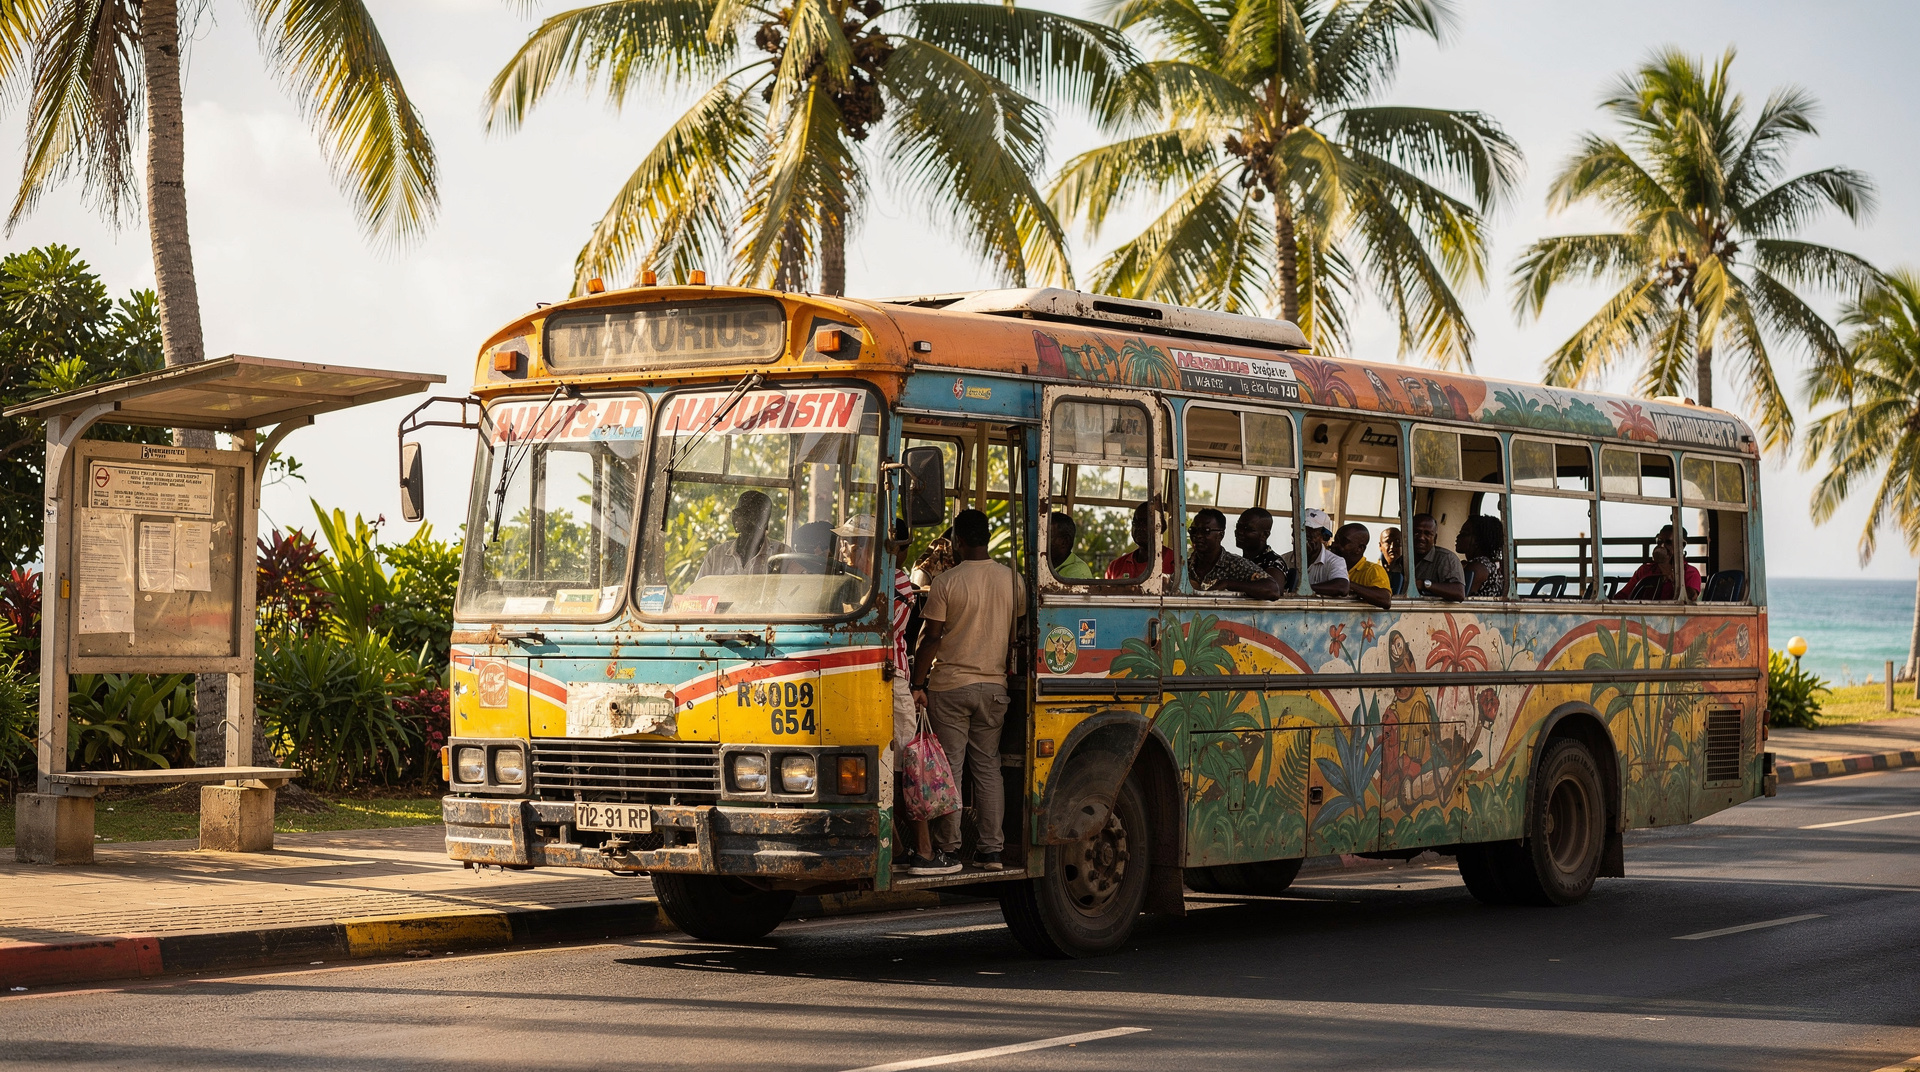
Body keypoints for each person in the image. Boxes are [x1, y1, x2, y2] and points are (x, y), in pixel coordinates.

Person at [911, 509, 1024, 871]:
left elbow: (931, 638)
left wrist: (916, 682)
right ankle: (992, 850)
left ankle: (950, 848)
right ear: (987, 537)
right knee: (989, 768)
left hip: (951, 688)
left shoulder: (947, 582)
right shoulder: (1012, 580)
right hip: (995, 688)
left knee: (952, 769)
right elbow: (1016, 627)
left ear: (958, 540)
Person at [887, 517, 957, 876]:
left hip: (895, 678)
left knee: (905, 768)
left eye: (857, 542)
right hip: (879, 679)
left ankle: (925, 850)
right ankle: (898, 847)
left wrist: (917, 685)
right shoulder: (871, 581)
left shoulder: (897, 582)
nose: (849, 549)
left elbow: (895, 631)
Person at [1186, 508, 1280, 599]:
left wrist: (1228, 584)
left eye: (1205, 531)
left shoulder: (1235, 565)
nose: (1198, 536)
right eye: (1193, 531)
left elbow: (1272, 590)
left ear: (1220, 535)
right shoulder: (1185, 566)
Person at [696, 490, 788, 577]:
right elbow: (697, 591)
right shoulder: (716, 555)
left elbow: (798, 588)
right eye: (736, 513)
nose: (737, 518)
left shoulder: (782, 553)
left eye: (747, 514)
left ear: (764, 522)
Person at [1277, 508, 1349, 598]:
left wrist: (1304, 588)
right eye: (1298, 534)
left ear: (1324, 537)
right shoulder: (1283, 560)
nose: (1302, 540)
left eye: (1309, 536)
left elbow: (1342, 587)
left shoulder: (1334, 561)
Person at [1626, 524, 1702, 600]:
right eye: (1659, 541)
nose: (1662, 546)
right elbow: (1623, 595)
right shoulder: (1644, 570)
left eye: (1668, 542)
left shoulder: (1690, 572)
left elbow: (1690, 598)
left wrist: (1671, 576)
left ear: (1681, 545)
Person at [1105, 501, 1175, 580]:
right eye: (1136, 522)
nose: (1139, 527)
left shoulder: (1176, 564)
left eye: (1146, 523)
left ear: (1162, 527)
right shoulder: (1116, 567)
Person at [1332, 522, 1392, 610]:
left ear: (1360, 549)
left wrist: (1347, 585)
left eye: (1343, 542)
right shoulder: (1330, 567)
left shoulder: (1373, 570)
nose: (1335, 545)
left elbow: (1385, 599)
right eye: (1336, 540)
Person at [1410, 513, 1465, 602]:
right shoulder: (1400, 561)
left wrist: (1425, 584)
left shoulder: (1446, 559)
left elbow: (1459, 593)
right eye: (1416, 532)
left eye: (1427, 534)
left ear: (1435, 538)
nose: (1421, 537)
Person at [1457, 514, 1506, 598]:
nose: (1458, 537)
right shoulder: (1486, 564)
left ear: (1477, 540)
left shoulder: (1477, 567)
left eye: (1464, 533)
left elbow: (1459, 596)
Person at [1234, 506, 1286, 577]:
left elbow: (1273, 587)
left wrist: (1228, 584)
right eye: (1238, 526)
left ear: (1264, 535)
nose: (1239, 532)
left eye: (1248, 529)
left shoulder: (1273, 563)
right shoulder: (1238, 561)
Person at [1048, 511, 1093, 579]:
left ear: (1064, 542)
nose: (1042, 542)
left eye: (1047, 537)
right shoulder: (1051, 566)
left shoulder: (1077, 572)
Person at [1379, 526, 1407, 595]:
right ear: (1380, 546)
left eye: (1397, 542)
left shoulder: (1409, 570)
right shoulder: (1373, 570)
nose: (1392, 547)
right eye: (1388, 542)